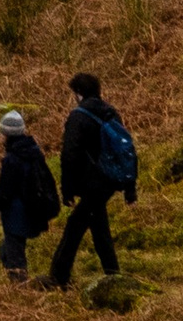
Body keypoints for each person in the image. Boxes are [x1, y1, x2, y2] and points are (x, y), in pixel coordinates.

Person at [44, 69, 137, 291]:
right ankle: (112, 274)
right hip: (110, 181)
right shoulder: (111, 113)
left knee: (75, 226)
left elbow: (69, 155)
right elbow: (126, 150)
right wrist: (129, 188)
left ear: (78, 93)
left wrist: (66, 190)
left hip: (91, 183)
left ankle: (58, 277)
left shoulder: (78, 116)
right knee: (98, 226)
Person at [0, 109, 60, 281]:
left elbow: (1, 194)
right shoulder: (34, 153)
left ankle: (19, 290)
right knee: (8, 250)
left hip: (16, 216)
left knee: (15, 258)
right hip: (31, 211)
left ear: (6, 134)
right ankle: (18, 284)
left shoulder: (12, 160)